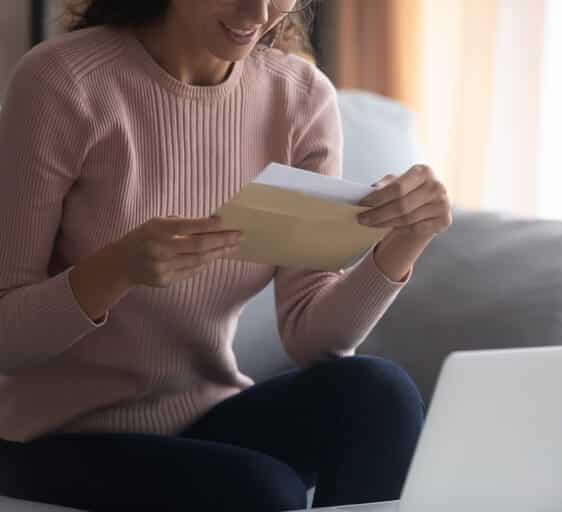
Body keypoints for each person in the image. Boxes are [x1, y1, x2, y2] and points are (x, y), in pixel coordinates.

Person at [0, 0, 453, 510]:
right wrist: (114, 271)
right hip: (52, 438)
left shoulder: (299, 97)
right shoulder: (63, 81)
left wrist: (404, 242)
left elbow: (312, 337)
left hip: (206, 419)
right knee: (264, 492)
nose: (259, 12)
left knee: (380, 393)